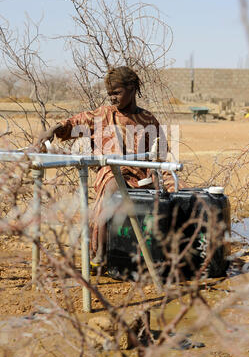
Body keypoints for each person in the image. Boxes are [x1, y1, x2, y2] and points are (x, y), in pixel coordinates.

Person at [36, 66, 173, 269]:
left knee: (174, 188)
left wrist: (155, 171)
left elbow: (159, 152)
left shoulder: (147, 119)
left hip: (141, 173)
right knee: (112, 190)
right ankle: (99, 253)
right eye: (110, 94)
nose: (112, 98)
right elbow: (73, 123)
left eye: (116, 93)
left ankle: (171, 250)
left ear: (132, 88)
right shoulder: (103, 115)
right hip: (112, 171)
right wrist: (53, 129)